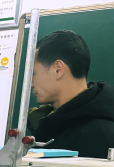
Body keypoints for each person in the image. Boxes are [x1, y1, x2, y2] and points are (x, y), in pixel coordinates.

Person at [29, 30, 114, 158]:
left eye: (34, 73)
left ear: (58, 70)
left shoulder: (101, 136)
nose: (31, 84)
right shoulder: (49, 124)